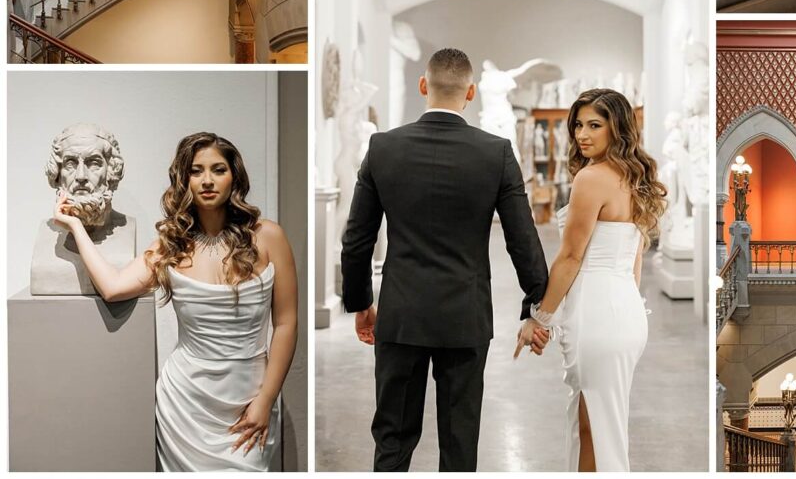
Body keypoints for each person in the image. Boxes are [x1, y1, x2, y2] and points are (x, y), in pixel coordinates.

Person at [341, 47, 549, 471]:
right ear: (471, 92)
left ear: (423, 86)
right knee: (459, 441)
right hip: (465, 317)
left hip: (400, 316)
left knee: (393, 440)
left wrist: (361, 303)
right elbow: (522, 239)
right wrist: (536, 306)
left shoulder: (383, 147)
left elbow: (358, 239)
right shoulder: (496, 153)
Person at [51, 132, 299, 471]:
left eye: (218, 170)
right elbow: (112, 287)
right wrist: (77, 227)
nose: (207, 180)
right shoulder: (171, 244)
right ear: (184, 180)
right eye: (196, 171)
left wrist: (266, 399)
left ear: (234, 177)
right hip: (185, 407)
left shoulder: (269, 236)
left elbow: (286, 324)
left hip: (250, 403)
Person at [515, 88, 667, 471]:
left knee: (597, 427)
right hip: (626, 310)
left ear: (618, 129)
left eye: (594, 125)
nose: (582, 134)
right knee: (596, 425)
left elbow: (570, 257)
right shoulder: (633, 177)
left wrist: (540, 317)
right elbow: (635, 258)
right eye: (578, 125)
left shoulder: (591, 178)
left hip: (598, 314)